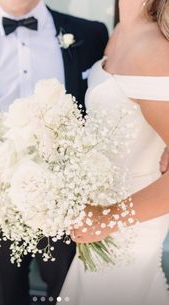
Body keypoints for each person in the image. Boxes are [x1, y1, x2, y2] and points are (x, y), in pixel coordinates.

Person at [0, 1, 108, 304]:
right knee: (7, 295)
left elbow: (106, 108)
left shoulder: (90, 34)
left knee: (69, 294)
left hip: (66, 206)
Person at [59, 0, 169, 304]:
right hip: (100, 216)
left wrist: (106, 219)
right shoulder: (120, 29)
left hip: (131, 226)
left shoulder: (153, 47)